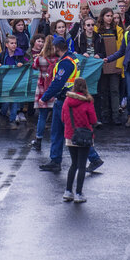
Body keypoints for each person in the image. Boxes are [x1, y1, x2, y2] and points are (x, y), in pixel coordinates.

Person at [39, 37, 104, 174]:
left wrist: (44, 97)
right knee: (60, 131)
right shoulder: (72, 58)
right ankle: (56, 160)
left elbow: (58, 83)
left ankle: (93, 158)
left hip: (65, 101)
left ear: (57, 47)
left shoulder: (66, 63)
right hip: (67, 99)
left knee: (71, 132)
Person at [61, 76, 96, 204]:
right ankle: (79, 193)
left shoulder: (67, 101)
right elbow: (93, 120)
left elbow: (63, 119)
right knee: (82, 165)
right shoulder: (88, 101)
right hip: (85, 136)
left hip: (71, 136)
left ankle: (68, 191)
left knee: (73, 164)